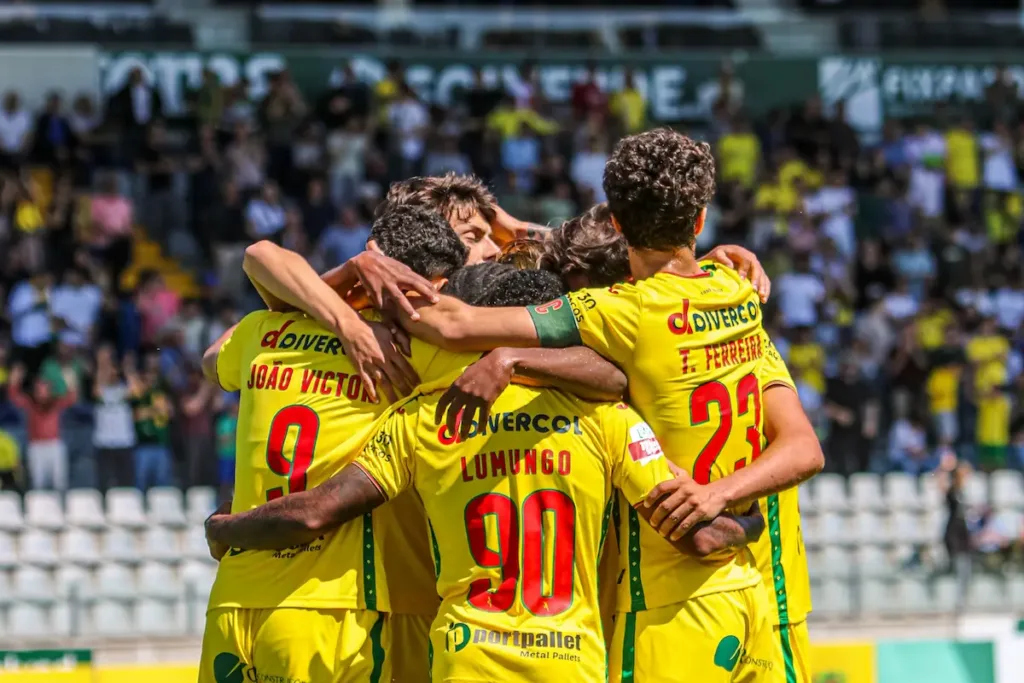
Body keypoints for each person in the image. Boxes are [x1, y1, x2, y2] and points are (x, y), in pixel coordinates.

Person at [390, 129, 822, 682]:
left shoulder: (620, 312)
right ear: (699, 220)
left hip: (682, 593)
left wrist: (370, 273)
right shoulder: (733, 290)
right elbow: (805, 447)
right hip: (753, 585)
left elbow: (457, 323)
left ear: (618, 224)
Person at [205, 267, 765, 683]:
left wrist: (226, 529)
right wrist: (751, 522)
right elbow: (699, 536)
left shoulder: (425, 418)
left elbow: (314, 511)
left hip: (468, 656)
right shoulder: (609, 421)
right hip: (571, 661)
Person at [197, 206, 629, 683]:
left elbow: (225, 334)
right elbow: (608, 371)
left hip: (235, 595)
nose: (486, 252)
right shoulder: (416, 352)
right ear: (433, 287)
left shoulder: (263, 333)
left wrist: (346, 296)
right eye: (473, 238)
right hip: (346, 606)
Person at [7, 364, 77, 491]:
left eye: (45, 389)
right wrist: (14, 380)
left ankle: (61, 509)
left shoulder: (56, 403)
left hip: (54, 446)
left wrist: (69, 381)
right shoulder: (30, 405)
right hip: (36, 447)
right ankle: (38, 508)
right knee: (38, 482)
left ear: (50, 390)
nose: (42, 393)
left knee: (60, 481)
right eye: (39, 389)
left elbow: (72, 398)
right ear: (34, 390)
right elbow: (14, 397)